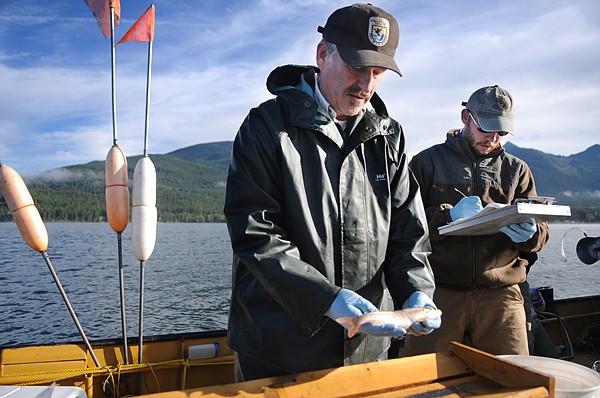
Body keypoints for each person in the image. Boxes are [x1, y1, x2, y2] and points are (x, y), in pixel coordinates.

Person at [223, 3, 440, 382]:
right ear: (323, 54)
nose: (367, 84)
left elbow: (409, 233)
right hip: (280, 350)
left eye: (378, 72)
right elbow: (257, 235)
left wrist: (416, 292)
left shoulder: (390, 137)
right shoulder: (266, 127)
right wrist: (327, 300)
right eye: (357, 67)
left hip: (367, 350)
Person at [404, 85, 550, 356]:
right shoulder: (425, 163)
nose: (493, 138)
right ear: (465, 117)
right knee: (424, 381)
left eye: (502, 132)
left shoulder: (517, 170)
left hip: (502, 295)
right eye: (485, 128)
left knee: (512, 381)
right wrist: (447, 217)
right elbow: (403, 227)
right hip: (439, 292)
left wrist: (531, 234)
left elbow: (541, 234)